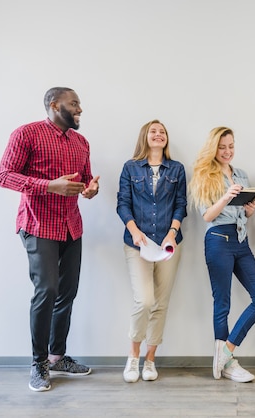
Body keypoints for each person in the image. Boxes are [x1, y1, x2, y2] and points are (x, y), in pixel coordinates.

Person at [0, 87, 100, 392]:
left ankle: (57, 356)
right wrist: (48, 186)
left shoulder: (81, 142)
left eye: (80, 103)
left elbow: (84, 181)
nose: (80, 108)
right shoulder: (26, 134)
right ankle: (39, 363)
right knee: (47, 290)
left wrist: (89, 189)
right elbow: (4, 175)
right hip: (38, 225)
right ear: (55, 105)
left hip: (71, 227)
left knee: (67, 292)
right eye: (74, 103)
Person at [189, 127, 255, 383]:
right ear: (214, 148)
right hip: (218, 241)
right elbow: (207, 216)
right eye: (222, 147)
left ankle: (226, 351)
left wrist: (249, 210)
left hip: (241, 241)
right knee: (222, 303)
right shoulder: (204, 174)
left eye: (231, 146)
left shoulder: (242, 174)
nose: (227, 152)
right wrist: (226, 197)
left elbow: (242, 214)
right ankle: (228, 365)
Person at [116, 119, 187, 383]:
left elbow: (181, 203)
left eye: (162, 132)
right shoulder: (130, 167)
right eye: (153, 131)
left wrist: (172, 232)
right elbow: (122, 203)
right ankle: (133, 356)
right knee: (144, 300)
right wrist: (135, 232)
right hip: (138, 244)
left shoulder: (177, 169)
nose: (158, 135)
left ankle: (150, 360)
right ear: (145, 137)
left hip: (168, 243)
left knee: (160, 303)